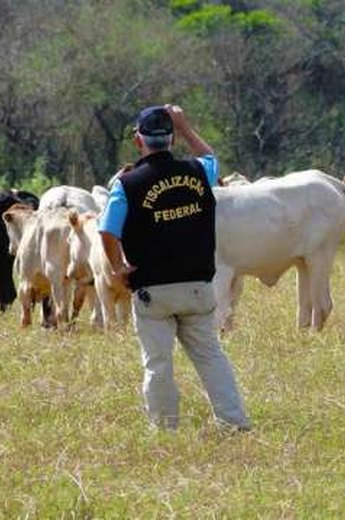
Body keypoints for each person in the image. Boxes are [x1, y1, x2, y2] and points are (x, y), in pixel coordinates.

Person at [98, 104, 250, 431]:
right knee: (211, 356)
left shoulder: (126, 184)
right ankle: (234, 422)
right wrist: (185, 126)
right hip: (197, 285)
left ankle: (165, 430)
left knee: (158, 364)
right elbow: (211, 158)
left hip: (153, 290)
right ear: (171, 140)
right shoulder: (197, 172)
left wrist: (118, 267)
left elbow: (107, 230)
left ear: (139, 141)